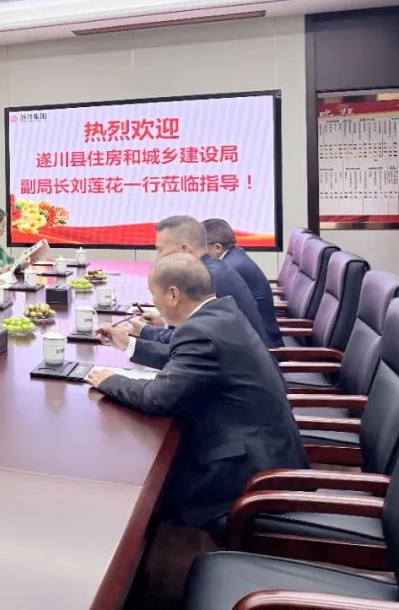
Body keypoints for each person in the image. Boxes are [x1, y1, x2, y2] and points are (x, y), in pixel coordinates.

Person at [87, 254, 305, 540]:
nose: (154, 302)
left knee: (147, 486)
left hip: (246, 473)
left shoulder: (201, 332)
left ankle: (140, 556)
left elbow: (156, 398)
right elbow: (184, 357)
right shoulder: (222, 311)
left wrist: (109, 380)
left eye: (154, 294)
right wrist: (128, 344)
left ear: (173, 294)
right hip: (267, 448)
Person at [128, 215, 279, 357]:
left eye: (160, 249)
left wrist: (143, 332)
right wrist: (164, 324)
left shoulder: (208, 279)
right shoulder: (213, 268)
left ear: (184, 250)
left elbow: (189, 340)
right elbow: (194, 333)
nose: (157, 257)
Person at [202, 218, 283, 348]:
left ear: (217, 247)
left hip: (264, 348)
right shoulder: (235, 257)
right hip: (255, 339)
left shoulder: (228, 269)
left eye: (201, 246)